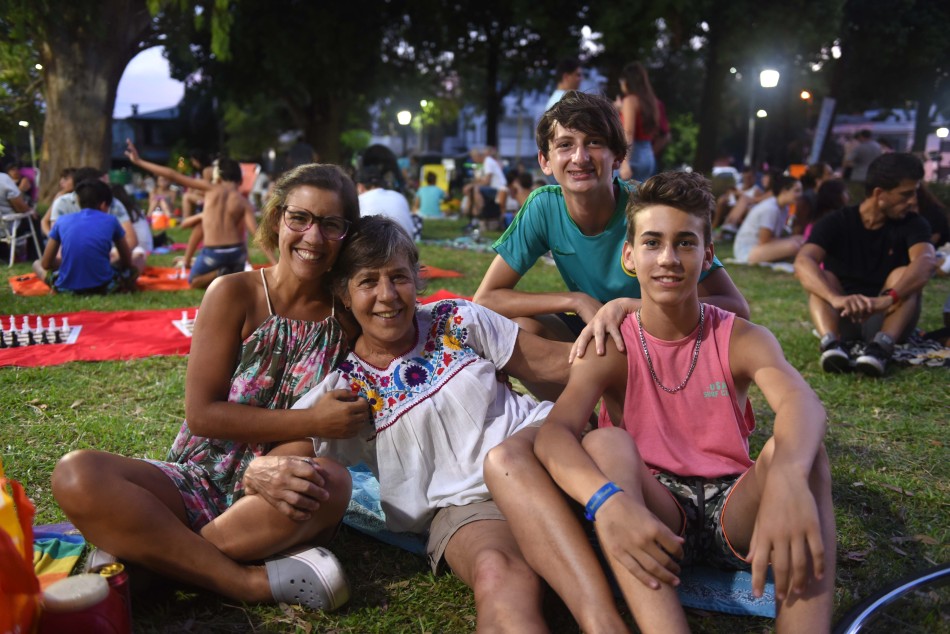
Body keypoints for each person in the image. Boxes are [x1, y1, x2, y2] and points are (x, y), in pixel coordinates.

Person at [484, 171, 836, 633]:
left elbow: (801, 402)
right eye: (652, 243)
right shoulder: (612, 345)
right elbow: (557, 434)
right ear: (629, 255)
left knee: (805, 455)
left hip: (734, 509)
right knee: (608, 443)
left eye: (685, 243)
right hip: (652, 510)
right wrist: (606, 501)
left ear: (707, 254)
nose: (668, 258)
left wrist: (788, 475)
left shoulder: (741, 338)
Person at [52, 164, 369, 611]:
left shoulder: (347, 319)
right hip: (195, 477)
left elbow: (330, 432)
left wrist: (266, 469)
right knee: (76, 474)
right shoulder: (233, 293)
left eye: (332, 224)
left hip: (273, 494)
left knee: (332, 483)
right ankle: (246, 584)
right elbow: (202, 414)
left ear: (346, 234)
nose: (313, 237)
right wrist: (307, 423)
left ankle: (158, 558)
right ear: (278, 218)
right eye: (301, 218)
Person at [282, 215, 571, 630]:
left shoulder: (457, 318)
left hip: (541, 455)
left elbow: (556, 364)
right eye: (367, 282)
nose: (388, 296)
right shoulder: (347, 391)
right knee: (499, 573)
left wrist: (640, 337)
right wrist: (264, 470)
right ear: (343, 294)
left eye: (398, 277)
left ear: (417, 278)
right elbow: (289, 450)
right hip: (467, 508)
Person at [474, 90, 748, 347]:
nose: (579, 158)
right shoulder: (544, 207)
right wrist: (576, 300)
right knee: (523, 330)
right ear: (545, 161)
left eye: (594, 142)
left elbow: (736, 306)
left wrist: (631, 307)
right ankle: (587, 392)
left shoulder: (648, 207)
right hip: (597, 329)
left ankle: (622, 388)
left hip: (658, 333)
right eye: (565, 145)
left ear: (617, 156)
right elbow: (487, 298)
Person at [795, 152, 936, 376]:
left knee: (904, 273)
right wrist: (836, 299)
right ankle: (831, 345)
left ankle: (880, 348)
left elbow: (926, 262)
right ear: (880, 194)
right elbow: (803, 261)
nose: (912, 201)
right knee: (824, 278)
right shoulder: (836, 221)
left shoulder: (914, 224)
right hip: (843, 314)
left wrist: (887, 299)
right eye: (905, 194)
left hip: (888, 314)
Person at [125, 139, 273, 289]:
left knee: (193, 280)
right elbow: (257, 235)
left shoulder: (210, 189)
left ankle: (218, 273)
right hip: (237, 254)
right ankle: (230, 273)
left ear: (219, 176)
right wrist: (276, 265)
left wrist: (139, 162)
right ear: (239, 179)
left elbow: (173, 175)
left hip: (214, 253)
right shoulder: (243, 202)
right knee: (233, 274)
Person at [32, 179, 137, 294]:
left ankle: (55, 287)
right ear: (103, 204)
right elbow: (127, 261)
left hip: (65, 288)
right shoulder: (111, 220)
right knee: (132, 270)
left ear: (78, 201)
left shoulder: (61, 221)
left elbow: (46, 263)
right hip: (104, 286)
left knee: (37, 264)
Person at [46, 166, 142, 260]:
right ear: (103, 206)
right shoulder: (110, 220)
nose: (106, 188)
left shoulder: (63, 221)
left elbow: (131, 240)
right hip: (85, 259)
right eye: (101, 185)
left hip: (94, 257)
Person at [733, 175, 804, 264]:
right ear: (784, 191)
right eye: (797, 191)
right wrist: (790, 240)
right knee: (793, 246)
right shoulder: (770, 209)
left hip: (760, 247)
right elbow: (764, 241)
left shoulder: (784, 208)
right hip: (747, 251)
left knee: (800, 240)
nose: (800, 195)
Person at [617, 61, 660, 182]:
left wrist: (624, 162)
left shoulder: (630, 101)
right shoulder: (650, 101)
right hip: (647, 154)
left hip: (633, 155)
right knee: (640, 198)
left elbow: (628, 132)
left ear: (627, 81)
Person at [356, 165, 415, 237]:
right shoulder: (399, 197)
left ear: (360, 187)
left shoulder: (360, 200)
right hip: (406, 245)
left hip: (374, 246)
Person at [181, 149, 214, 219]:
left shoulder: (207, 171)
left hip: (211, 200)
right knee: (189, 192)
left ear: (198, 160)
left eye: (193, 161)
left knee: (186, 196)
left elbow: (207, 190)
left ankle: (186, 220)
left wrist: (195, 191)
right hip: (208, 198)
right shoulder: (201, 172)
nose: (193, 164)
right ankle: (188, 219)